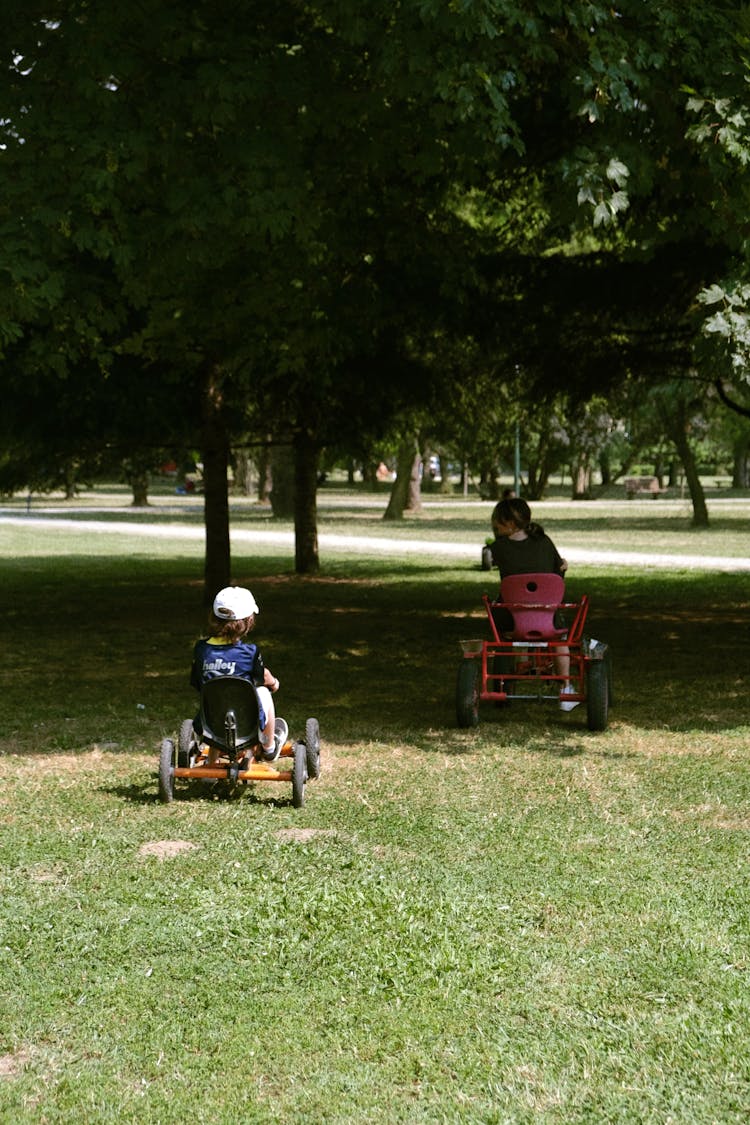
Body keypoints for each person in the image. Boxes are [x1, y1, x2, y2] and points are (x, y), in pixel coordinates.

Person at [489, 497, 578, 711]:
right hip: (547, 618)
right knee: (560, 639)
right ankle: (566, 686)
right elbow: (557, 572)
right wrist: (563, 567)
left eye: (496, 522)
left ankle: (519, 661)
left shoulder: (498, 547)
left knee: (506, 615)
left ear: (509, 524)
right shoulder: (544, 541)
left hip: (512, 619)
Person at [190, 586, 288, 762]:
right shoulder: (250, 652)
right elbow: (262, 677)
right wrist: (274, 683)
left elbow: (196, 681)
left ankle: (212, 762)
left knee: (215, 693)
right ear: (248, 621)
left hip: (212, 722)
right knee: (264, 692)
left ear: (213, 617)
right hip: (246, 722)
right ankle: (269, 747)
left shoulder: (201, 649)